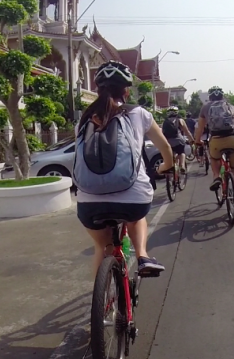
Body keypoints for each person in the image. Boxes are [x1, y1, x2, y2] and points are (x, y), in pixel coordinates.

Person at [74, 61, 175, 277]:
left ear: (98, 90)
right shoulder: (139, 113)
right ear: (126, 91)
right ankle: (142, 256)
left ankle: (103, 296)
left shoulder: (84, 120)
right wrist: (166, 166)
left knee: (102, 247)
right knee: (136, 217)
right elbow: (165, 147)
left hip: (89, 201)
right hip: (133, 198)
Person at [194, 86, 234, 205]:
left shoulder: (205, 108)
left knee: (214, 158)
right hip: (233, 140)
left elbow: (200, 128)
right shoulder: (231, 107)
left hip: (216, 141)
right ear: (223, 96)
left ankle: (216, 176)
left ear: (210, 97)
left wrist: (197, 141)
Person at [161, 106, 195, 176]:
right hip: (179, 140)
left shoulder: (165, 122)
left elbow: (162, 133)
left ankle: (171, 169)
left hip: (168, 142)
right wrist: (192, 140)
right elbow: (187, 132)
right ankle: (182, 166)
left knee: (172, 154)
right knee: (181, 152)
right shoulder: (180, 120)